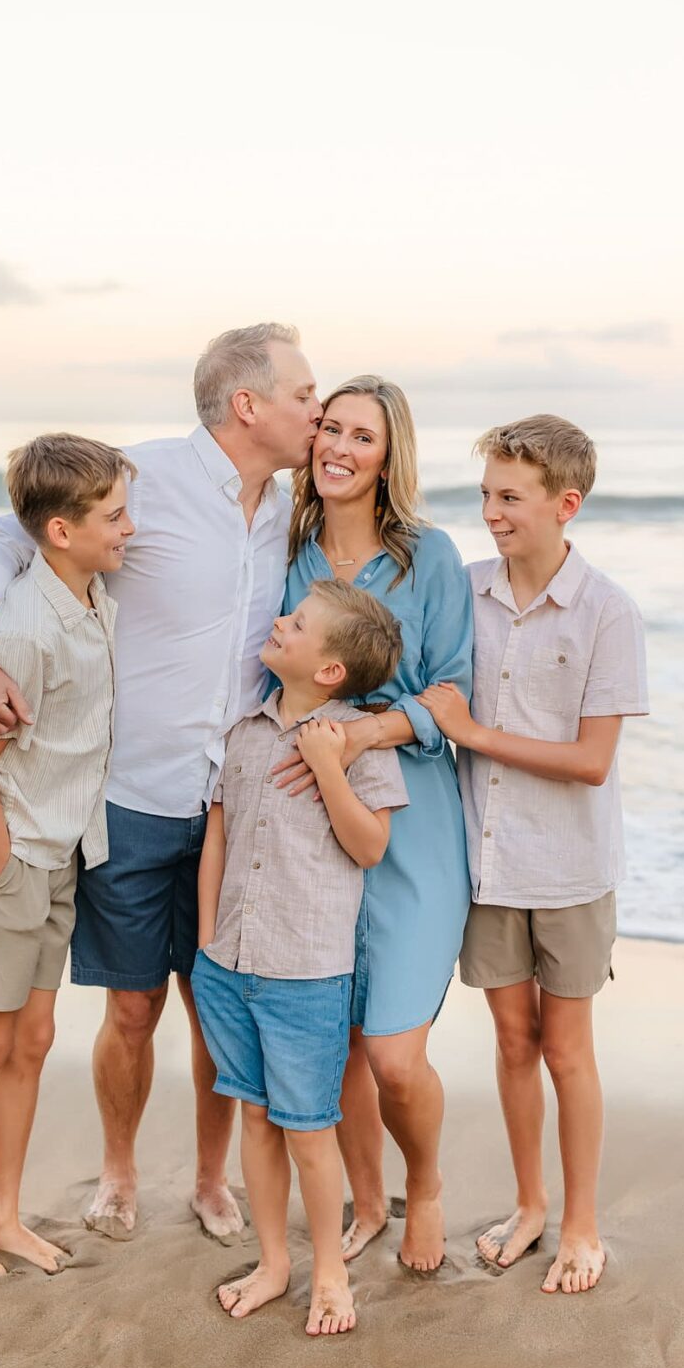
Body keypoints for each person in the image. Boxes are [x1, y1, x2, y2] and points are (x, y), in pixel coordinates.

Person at [0, 325, 322, 1239]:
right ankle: (118, 1174)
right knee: (132, 1005)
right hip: (130, 794)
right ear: (250, 405)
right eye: (306, 396)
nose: (318, 413)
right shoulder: (142, 479)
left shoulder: (286, 509)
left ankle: (209, 1178)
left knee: (218, 1006)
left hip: (237, 800)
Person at [419, 413, 648, 1294]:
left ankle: (582, 1222)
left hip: (570, 871)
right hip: (487, 869)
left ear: (566, 504)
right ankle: (530, 1205)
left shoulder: (607, 611)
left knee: (565, 1051)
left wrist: (476, 733)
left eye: (509, 498)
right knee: (512, 1045)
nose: (491, 513)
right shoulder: (464, 592)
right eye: (485, 495)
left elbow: (592, 762)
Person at [0, 433, 136, 1280]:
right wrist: (8, 873)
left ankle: (2, 1214)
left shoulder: (96, 597)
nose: (130, 529)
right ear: (60, 531)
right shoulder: (23, 629)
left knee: (35, 1036)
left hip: (60, 850)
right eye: (114, 516)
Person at [276, 376, 473, 1271]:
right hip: (311, 816)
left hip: (416, 821)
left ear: (390, 457)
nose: (339, 448)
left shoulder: (430, 557)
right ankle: (364, 1202)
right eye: (329, 429)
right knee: (338, 1034)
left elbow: (451, 696)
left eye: (362, 436)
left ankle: (422, 1184)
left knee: (394, 1054)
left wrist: (363, 732)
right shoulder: (290, 551)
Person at [193, 580, 409, 1335]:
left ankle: (327, 1271)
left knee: (308, 1129)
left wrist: (325, 766)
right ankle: (273, 1261)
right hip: (230, 962)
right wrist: (204, 943)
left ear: (330, 673)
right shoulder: (245, 729)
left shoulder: (355, 737)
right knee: (256, 1118)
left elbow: (371, 846)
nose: (280, 622)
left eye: (299, 622)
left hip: (306, 970)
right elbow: (218, 831)